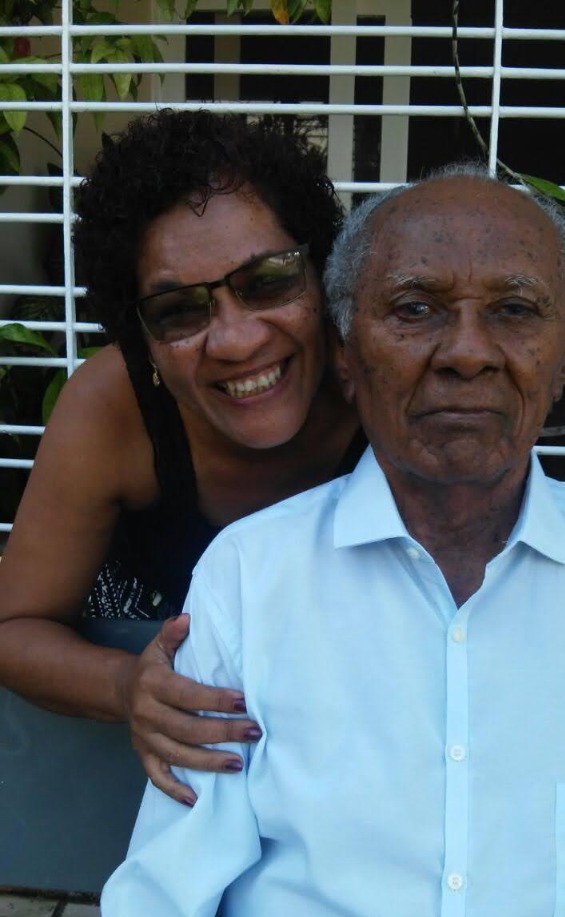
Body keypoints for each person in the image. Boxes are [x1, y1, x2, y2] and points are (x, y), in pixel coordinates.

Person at [99, 165, 565, 917]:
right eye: (416, 308)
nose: (467, 352)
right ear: (344, 351)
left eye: (515, 311)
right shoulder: (250, 578)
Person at [0, 109, 362, 805]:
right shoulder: (113, 408)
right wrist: (126, 685)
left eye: (269, 279)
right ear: (142, 341)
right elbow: (14, 628)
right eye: (178, 309)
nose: (236, 340)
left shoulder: (380, 383)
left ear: (320, 276)